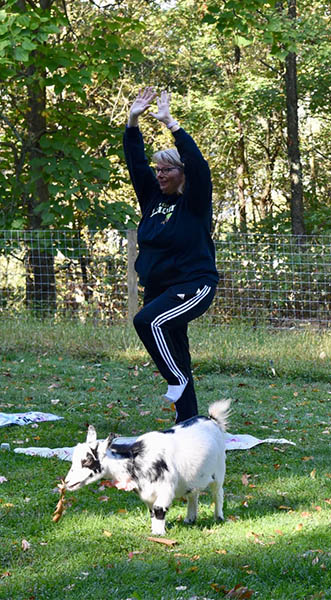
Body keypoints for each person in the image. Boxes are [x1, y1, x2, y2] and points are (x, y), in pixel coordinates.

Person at [123, 87, 219, 423]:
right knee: (176, 348)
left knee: (148, 320)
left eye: (167, 170)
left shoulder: (193, 203)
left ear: (181, 173)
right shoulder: (153, 198)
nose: (159, 175)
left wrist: (172, 125)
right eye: (158, 169)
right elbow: (136, 163)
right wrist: (133, 120)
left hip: (194, 285)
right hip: (161, 287)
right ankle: (188, 422)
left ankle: (176, 381)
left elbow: (199, 165)